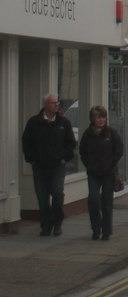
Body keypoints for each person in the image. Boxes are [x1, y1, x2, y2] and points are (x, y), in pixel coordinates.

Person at [22, 93, 77, 236]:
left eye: (57, 103)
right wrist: (31, 159)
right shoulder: (34, 123)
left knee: (58, 194)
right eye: (53, 103)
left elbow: (70, 143)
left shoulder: (63, 123)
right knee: (42, 197)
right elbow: (27, 142)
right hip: (40, 166)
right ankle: (45, 226)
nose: (56, 106)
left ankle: (57, 223)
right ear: (45, 105)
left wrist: (65, 157)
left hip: (57, 165)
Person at [78, 105, 124, 241]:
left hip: (108, 173)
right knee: (93, 199)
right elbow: (82, 152)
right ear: (92, 119)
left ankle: (106, 231)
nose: (101, 120)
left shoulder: (111, 133)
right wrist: (89, 165)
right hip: (93, 173)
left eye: (103, 117)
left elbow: (119, 150)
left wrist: (111, 163)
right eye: (98, 117)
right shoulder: (87, 134)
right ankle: (96, 229)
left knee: (107, 202)